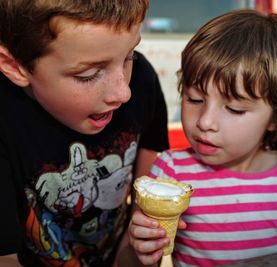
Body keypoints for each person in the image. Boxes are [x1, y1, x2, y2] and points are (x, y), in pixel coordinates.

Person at [129, 9, 277, 267]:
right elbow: (132, 259)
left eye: (234, 108)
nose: (205, 122)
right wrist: (140, 250)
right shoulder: (169, 174)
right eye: (195, 99)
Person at [0, 0, 170, 266]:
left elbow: (143, 208)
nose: (123, 93)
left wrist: (138, 249)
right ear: (15, 66)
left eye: (129, 57)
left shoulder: (143, 80)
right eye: (88, 74)